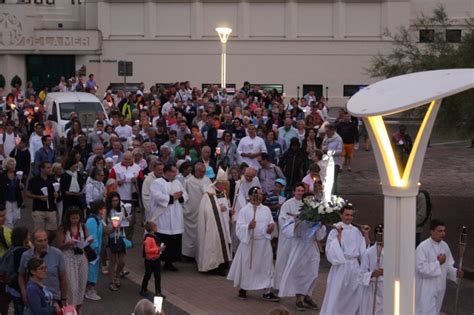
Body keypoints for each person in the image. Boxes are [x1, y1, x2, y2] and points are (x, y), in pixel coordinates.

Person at [227, 186, 279, 302]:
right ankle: (243, 288)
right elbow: (239, 227)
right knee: (247, 266)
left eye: (261, 194)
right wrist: (248, 227)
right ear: (250, 196)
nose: (259, 196)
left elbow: (270, 224)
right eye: (256, 194)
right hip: (250, 243)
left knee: (266, 267)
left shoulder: (266, 210)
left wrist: (271, 228)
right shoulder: (244, 211)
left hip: (263, 243)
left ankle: (267, 291)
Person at [320, 205, 369, 315]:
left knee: (354, 293)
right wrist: (339, 235)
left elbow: (363, 249)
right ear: (341, 215)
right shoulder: (335, 230)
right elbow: (331, 249)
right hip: (341, 266)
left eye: (351, 215)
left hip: (354, 266)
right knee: (338, 293)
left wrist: (365, 234)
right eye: (347, 215)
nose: (349, 217)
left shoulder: (356, 230)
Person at [415, 219, 463, 315]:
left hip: (440, 287)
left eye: (444, 231)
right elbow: (420, 269)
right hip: (426, 288)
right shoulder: (422, 247)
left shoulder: (445, 246)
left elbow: (448, 267)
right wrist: (438, 263)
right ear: (432, 231)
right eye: (440, 231)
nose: (443, 233)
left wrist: (455, 272)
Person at [149, 164, 188, 271]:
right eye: (173, 172)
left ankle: (169, 262)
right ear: (166, 172)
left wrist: (181, 197)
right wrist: (172, 197)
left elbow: (185, 195)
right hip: (163, 216)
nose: (175, 174)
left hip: (175, 215)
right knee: (162, 238)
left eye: (176, 172)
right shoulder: (157, 183)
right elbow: (156, 196)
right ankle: (155, 260)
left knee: (173, 241)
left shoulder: (177, 182)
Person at [18, 229, 67, 309]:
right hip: (33, 298)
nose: (43, 244)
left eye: (45, 240)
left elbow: (63, 278)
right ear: (33, 242)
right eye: (40, 241)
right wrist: (23, 292)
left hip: (53, 298)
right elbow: (21, 275)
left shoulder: (57, 254)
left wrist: (63, 298)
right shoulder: (26, 256)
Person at [197, 169, 232, 274]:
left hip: (223, 224)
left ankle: (223, 264)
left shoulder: (223, 193)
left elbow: (225, 206)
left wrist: (230, 210)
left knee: (223, 243)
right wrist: (218, 209)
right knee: (214, 244)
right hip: (213, 225)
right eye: (222, 184)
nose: (224, 187)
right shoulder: (209, 194)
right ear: (217, 183)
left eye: (225, 185)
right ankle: (213, 266)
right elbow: (206, 209)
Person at [56, 206, 90, 313]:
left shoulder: (83, 227)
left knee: (81, 285)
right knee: (72, 288)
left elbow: (88, 239)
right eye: (73, 218)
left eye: (77, 218)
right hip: (68, 257)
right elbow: (59, 245)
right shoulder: (63, 229)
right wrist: (67, 243)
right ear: (68, 218)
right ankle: (70, 310)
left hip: (81, 257)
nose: (75, 220)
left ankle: (78, 310)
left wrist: (88, 242)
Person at [273, 183, 304, 291]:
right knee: (283, 261)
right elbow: (282, 219)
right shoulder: (287, 204)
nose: (300, 193)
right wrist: (293, 221)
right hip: (287, 238)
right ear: (294, 192)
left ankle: (294, 287)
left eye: (302, 191)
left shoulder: (306, 205)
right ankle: (278, 286)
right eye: (298, 190)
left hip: (299, 238)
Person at [182, 161, 212, 260]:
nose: (202, 173)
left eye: (203, 171)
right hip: (191, 211)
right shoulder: (188, 181)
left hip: (203, 210)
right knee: (190, 234)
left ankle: (200, 254)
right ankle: (188, 255)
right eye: (200, 171)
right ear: (195, 171)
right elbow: (184, 196)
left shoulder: (207, 180)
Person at [25, 162, 59, 243]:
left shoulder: (53, 180)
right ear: (41, 169)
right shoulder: (34, 180)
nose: (50, 169)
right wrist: (39, 197)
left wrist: (57, 194)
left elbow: (58, 193)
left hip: (51, 208)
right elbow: (28, 193)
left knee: (53, 231)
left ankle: (47, 244)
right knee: (39, 232)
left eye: (50, 167)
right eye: (47, 167)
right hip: (38, 209)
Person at [230, 167, 261, 253]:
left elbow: (258, 191)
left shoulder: (256, 180)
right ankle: (235, 251)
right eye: (246, 176)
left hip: (253, 205)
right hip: (240, 208)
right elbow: (240, 198)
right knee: (237, 230)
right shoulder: (240, 182)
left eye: (250, 177)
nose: (248, 178)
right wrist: (248, 209)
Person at [105, 192, 130, 291]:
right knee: (112, 261)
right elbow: (104, 226)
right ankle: (112, 281)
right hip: (111, 237)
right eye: (113, 200)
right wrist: (112, 228)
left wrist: (127, 219)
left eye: (117, 200)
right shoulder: (106, 211)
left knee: (122, 261)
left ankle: (117, 275)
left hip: (121, 236)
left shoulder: (122, 209)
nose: (115, 202)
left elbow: (125, 221)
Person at [359, 224, 384, 315]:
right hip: (373, 290)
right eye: (379, 235)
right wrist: (372, 274)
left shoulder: (393, 252)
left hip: (388, 289)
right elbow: (361, 274)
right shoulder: (369, 252)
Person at [85, 200, 106, 301]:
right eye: (103, 208)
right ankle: (90, 290)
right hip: (93, 252)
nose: (104, 210)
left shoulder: (97, 219)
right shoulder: (92, 220)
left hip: (96, 251)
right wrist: (95, 250)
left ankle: (90, 289)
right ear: (99, 209)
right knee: (91, 271)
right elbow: (92, 237)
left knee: (93, 270)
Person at [140, 221, 165, 298]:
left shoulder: (154, 237)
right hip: (150, 261)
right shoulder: (148, 239)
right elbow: (147, 250)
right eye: (156, 227)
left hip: (156, 259)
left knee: (158, 276)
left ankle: (158, 291)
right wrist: (158, 249)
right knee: (148, 275)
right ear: (153, 228)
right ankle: (143, 289)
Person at [0, 158, 24, 228]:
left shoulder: (18, 174)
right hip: (6, 200)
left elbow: (22, 187)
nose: (13, 166)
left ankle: (13, 230)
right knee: (8, 219)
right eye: (11, 165)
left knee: (17, 217)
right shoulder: (2, 176)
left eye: (14, 164)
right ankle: (10, 234)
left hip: (16, 199)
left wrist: (22, 186)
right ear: (7, 165)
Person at [321, 124, 343, 194]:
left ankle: (334, 195)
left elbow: (339, 152)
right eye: (326, 132)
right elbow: (323, 145)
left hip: (335, 163)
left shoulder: (338, 139)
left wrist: (328, 152)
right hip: (325, 161)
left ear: (332, 131)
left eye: (328, 132)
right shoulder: (326, 137)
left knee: (333, 180)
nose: (326, 133)